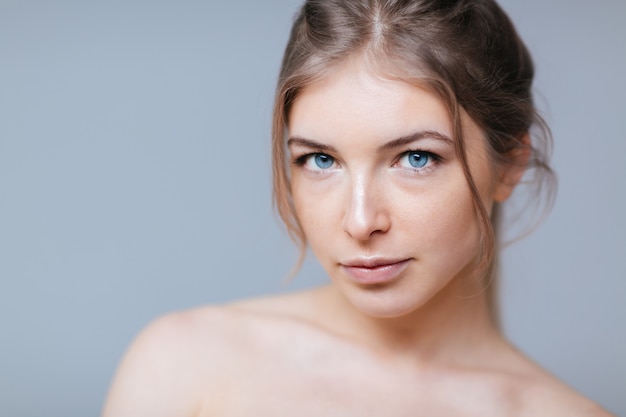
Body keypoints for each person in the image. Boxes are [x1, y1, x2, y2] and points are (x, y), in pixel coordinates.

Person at [102, 0, 613, 415]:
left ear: (510, 163)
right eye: (320, 159)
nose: (360, 221)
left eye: (416, 158)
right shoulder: (187, 363)